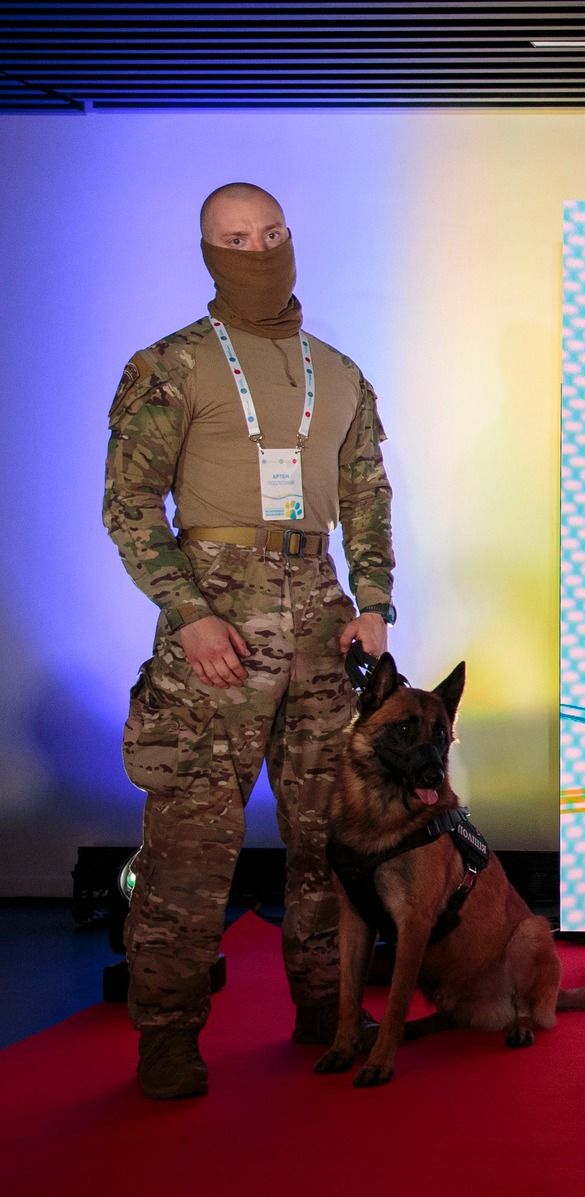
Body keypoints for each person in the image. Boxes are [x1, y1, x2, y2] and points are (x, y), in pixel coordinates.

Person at [103, 182, 396, 1100]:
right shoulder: (171, 365)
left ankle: (327, 1011)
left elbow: (368, 500)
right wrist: (188, 614)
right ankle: (168, 1035)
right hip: (215, 618)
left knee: (326, 835)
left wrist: (375, 600)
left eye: (270, 234)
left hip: (319, 617)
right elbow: (127, 506)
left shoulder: (341, 373)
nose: (257, 251)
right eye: (235, 239)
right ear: (207, 251)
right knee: (192, 841)